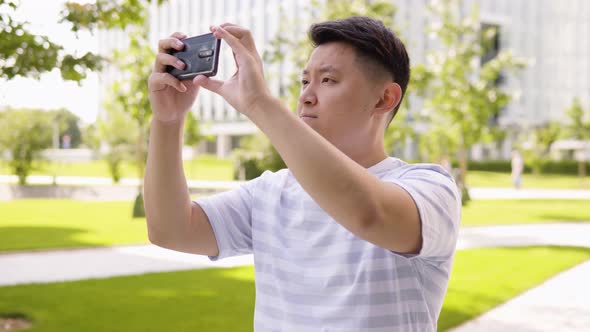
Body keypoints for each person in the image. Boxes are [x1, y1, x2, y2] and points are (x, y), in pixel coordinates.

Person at [144, 16, 461, 332]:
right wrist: (168, 122)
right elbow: (170, 229)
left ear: (384, 99)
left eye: (328, 81)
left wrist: (259, 103)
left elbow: (369, 214)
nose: (306, 95)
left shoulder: (430, 188)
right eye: (304, 81)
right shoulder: (271, 192)